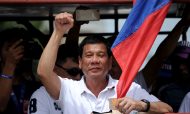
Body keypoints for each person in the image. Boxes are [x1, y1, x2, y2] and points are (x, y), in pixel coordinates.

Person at [37, 12, 173, 114]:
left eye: (101, 55)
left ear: (110, 63)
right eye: (89, 55)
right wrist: (58, 32)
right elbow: (43, 72)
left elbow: (167, 109)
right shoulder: (68, 89)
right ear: (80, 62)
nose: (95, 60)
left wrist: (141, 105)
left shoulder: (127, 88)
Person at [28, 44, 81, 114]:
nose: (78, 77)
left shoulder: (87, 92)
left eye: (82, 72)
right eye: (73, 71)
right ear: (54, 70)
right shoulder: (41, 96)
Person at [0, 28, 41, 114]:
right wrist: (10, 64)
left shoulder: (35, 86)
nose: (15, 53)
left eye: (19, 48)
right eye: (9, 48)